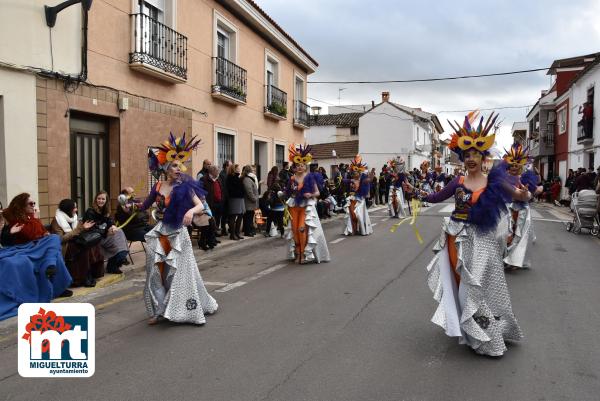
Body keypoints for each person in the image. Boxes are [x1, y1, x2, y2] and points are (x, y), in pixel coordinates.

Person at [405, 112, 530, 357]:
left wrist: (525, 194)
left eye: (476, 154)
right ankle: (469, 329)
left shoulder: (494, 181)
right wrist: (415, 192)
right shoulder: (457, 181)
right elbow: (435, 198)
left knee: (480, 286)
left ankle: (488, 333)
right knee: (462, 284)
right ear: (462, 157)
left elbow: (519, 196)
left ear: (483, 157)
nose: (471, 158)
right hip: (456, 239)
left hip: (483, 241)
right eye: (467, 154)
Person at [143, 133, 218, 325]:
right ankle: (159, 311)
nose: (179, 169)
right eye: (174, 165)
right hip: (160, 233)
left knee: (178, 273)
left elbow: (201, 205)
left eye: (180, 165)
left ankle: (182, 310)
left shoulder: (185, 186)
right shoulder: (158, 185)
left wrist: (190, 212)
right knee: (156, 272)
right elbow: (145, 205)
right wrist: (130, 206)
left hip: (178, 233)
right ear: (166, 168)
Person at [0, 194, 73, 320]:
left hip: (37, 246)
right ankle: (52, 270)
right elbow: (16, 238)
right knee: (53, 245)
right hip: (25, 248)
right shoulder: (12, 218)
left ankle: (51, 269)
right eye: (30, 204)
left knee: (53, 241)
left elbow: (41, 233)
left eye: (34, 203)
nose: (33, 206)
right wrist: (12, 232)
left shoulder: (32, 218)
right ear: (21, 205)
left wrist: (42, 231)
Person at [284, 144, 330, 264]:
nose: (300, 167)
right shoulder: (292, 179)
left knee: (301, 229)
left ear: (305, 167)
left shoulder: (310, 178)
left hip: (305, 206)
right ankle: (298, 253)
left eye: (302, 165)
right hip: (294, 206)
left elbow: (317, 193)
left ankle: (304, 254)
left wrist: (311, 195)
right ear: (295, 167)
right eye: (298, 165)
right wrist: (282, 194)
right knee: (294, 230)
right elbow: (287, 192)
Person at [502, 143, 542, 270]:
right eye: (511, 165)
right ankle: (506, 258)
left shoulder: (525, 178)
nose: (514, 167)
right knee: (507, 234)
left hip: (522, 211)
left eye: (516, 165)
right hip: (507, 210)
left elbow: (534, 192)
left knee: (519, 236)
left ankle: (513, 260)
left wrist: (526, 192)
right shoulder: (503, 179)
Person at [51, 199, 104, 287]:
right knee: (83, 248)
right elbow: (61, 239)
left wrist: (84, 228)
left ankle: (92, 273)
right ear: (68, 209)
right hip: (66, 246)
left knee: (93, 244)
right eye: (74, 208)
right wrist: (80, 229)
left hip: (76, 241)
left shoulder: (74, 217)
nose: (76, 210)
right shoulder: (57, 220)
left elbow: (79, 231)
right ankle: (84, 277)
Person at [83, 191, 129, 274]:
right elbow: (92, 230)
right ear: (95, 200)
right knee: (118, 238)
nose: (100, 201)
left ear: (106, 200)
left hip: (103, 236)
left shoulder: (105, 210)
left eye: (103, 199)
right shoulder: (90, 211)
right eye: (99, 199)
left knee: (118, 231)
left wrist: (113, 226)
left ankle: (120, 257)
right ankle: (118, 260)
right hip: (94, 238)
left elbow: (110, 221)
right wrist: (106, 233)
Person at [343, 155, 373, 236]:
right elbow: (343, 181)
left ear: (359, 172)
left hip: (360, 199)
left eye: (356, 171)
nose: (354, 173)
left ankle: (361, 229)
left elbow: (369, 180)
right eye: (353, 171)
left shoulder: (363, 179)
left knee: (358, 216)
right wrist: (351, 180)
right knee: (352, 215)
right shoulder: (351, 179)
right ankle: (353, 229)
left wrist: (371, 174)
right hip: (352, 198)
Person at [226, 163, 245, 240]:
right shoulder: (230, 177)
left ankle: (237, 233)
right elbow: (231, 189)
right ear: (234, 169)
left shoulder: (238, 177)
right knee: (233, 216)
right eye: (237, 168)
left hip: (240, 198)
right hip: (234, 199)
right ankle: (232, 234)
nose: (239, 169)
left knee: (240, 215)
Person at [241, 165, 259, 237]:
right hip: (249, 202)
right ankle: (247, 232)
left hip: (251, 202)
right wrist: (254, 198)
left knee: (249, 217)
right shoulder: (247, 180)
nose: (253, 171)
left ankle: (248, 230)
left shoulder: (248, 179)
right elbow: (249, 191)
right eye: (252, 170)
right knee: (248, 217)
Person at [218, 160, 232, 236]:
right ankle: (223, 229)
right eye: (230, 165)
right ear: (226, 166)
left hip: (228, 197)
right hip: (224, 198)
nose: (231, 167)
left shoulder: (228, 173)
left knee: (228, 214)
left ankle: (228, 228)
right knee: (224, 215)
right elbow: (223, 187)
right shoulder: (222, 174)